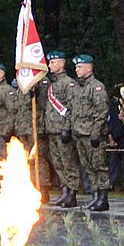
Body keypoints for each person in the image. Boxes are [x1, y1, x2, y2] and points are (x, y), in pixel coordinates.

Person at [40, 51, 82, 207]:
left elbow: (72, 108)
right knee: (58, 163)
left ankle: (72, 193)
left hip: (63, 130)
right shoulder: (53, 84)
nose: (50, 65)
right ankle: (65, 191)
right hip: (52, 130)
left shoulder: (68, 83)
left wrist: (67, 128)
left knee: (68, 163)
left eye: (53, 62)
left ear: (62, 64)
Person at [69, 54, 110, 211]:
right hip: (79, 133)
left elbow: (101, 111)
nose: (76, 69)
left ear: (89, 67)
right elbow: (72, 111)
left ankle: (103, 197)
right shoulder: (78, 88)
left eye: (80, 67)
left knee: (99, 166)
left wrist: (96, 133)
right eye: (76, 67)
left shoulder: (96, 87)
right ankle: (95, 195)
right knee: (88, 167)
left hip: (92, 134)